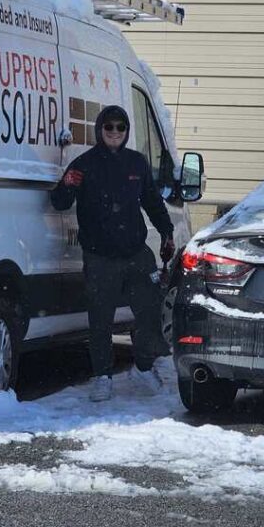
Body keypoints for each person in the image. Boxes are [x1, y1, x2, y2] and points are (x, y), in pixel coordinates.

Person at [50, 105, 175, 402]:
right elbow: (59, 202)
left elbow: (153, 203)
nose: (115, 132)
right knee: (100, 320)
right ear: (100, 130)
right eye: (109, 127)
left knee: (149, 313)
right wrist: (66, 186)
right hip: (100, 256)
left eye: (121, 128)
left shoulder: (137, 164)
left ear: (127, 131)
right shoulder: (84, 165)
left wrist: (167, 231)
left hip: (136, 252)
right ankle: (102, 376)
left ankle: (143, 367)